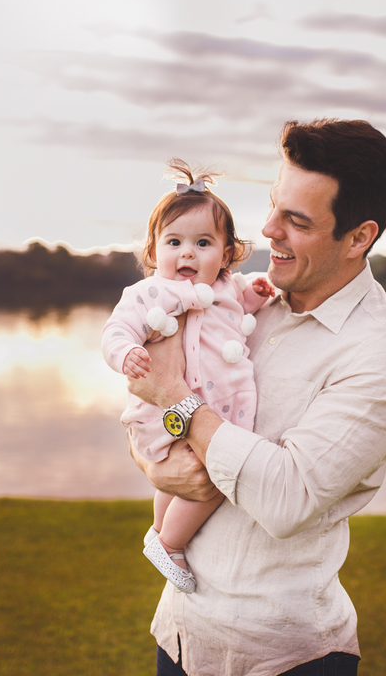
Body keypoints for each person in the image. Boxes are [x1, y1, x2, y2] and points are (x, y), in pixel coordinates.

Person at [127, 119, 386, 676]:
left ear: (359, 236)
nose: (267, 231)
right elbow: (143, 403)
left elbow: (288, 499)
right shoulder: (240, 300)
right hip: (180, 636)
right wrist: (153, 462)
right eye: (273, 206)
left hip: (281, 655)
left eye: (297, 220)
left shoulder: (383, 353)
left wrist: (177, 403)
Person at [103, 159, 275, 593]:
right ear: (153, 250)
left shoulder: (227, 289)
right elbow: (116, 330)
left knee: (184, 474)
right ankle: (170, 541)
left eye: (203, 243)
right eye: (174, 241)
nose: (187, 254)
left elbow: (242, 308)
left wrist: (256, 292)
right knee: (212, 478)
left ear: (226, 255)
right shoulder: (151, 292)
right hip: (168, 413)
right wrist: (125, 354)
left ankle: (159, 526)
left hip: (213, 411)